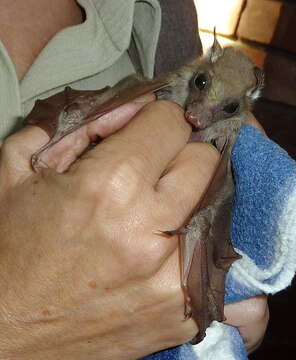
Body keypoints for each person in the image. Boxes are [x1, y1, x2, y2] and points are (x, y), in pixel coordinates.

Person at [0, 0, 270, 359]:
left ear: (247, 103)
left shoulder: (165, 11)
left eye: (227, 108)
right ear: (205, 66)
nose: (199, 112)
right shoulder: (166, 78)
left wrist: (213, 302)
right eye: (201, 85)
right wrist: (18, 329)